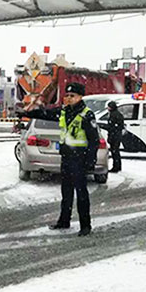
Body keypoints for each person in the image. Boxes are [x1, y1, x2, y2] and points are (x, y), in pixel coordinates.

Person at [16, 82, 99, 236]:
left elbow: (93, 141)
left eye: (72, 96)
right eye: (66, 96)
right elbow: (45, 114)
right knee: (66, 192)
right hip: (66, 158)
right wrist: (26, 113)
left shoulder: (87, 115)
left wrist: (90, 162)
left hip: (80, 160)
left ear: (80, 97)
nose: (68, 98)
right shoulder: (64, 111)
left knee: (81, 194)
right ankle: (64, 221)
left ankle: (85, 226)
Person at [105, 100, 124, 172]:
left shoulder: (114, 115)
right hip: (116, 135)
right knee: (116, 151)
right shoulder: (117, 114)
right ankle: (118, 166)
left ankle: (116, 167)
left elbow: (112, 126)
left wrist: (108, 128)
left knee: (114, 151)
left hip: (114, 136)